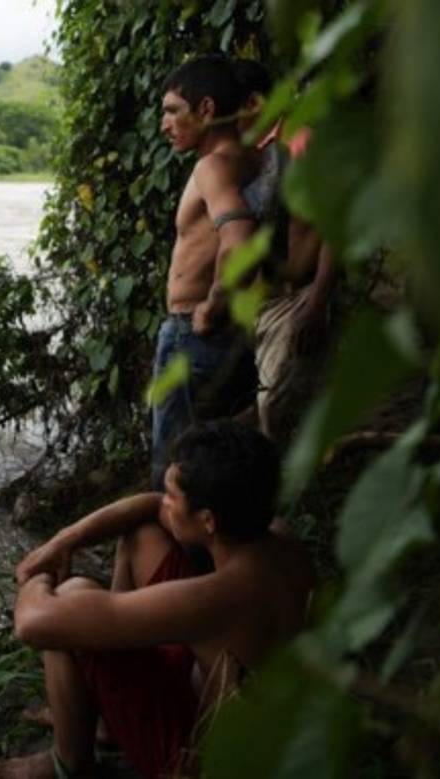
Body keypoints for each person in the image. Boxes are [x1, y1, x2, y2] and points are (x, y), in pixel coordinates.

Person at [0, 422, 314, 779]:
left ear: (208, 521)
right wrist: (63, 541)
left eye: (173, 496)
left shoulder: (217, 599)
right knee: (142, 536)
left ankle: (68, 762)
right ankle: (108, 721)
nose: (164, 500)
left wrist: (37, 574)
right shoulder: (278, 537)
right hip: (226, 696)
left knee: (70, 595)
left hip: (197, 761)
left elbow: (34, 623)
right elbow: (150, 507)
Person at [151, 55, 260, 488]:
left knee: (174, 474)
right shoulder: (255, 159)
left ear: (207, 110)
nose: (165, 124)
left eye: (173, 111)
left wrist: (213, 304)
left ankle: (173, 556)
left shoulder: (212, 166)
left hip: (194, 335)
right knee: (216, 473)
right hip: (229, 337)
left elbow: (240, 236)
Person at [232, 59, 338, 445]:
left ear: (254, 104)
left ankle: (291, 498)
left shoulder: (301, 143)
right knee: (268, 407)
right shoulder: (249, 154)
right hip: (264, 305)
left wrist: (316, 302)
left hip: (299, 297)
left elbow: (333, 224)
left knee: (279, 410)